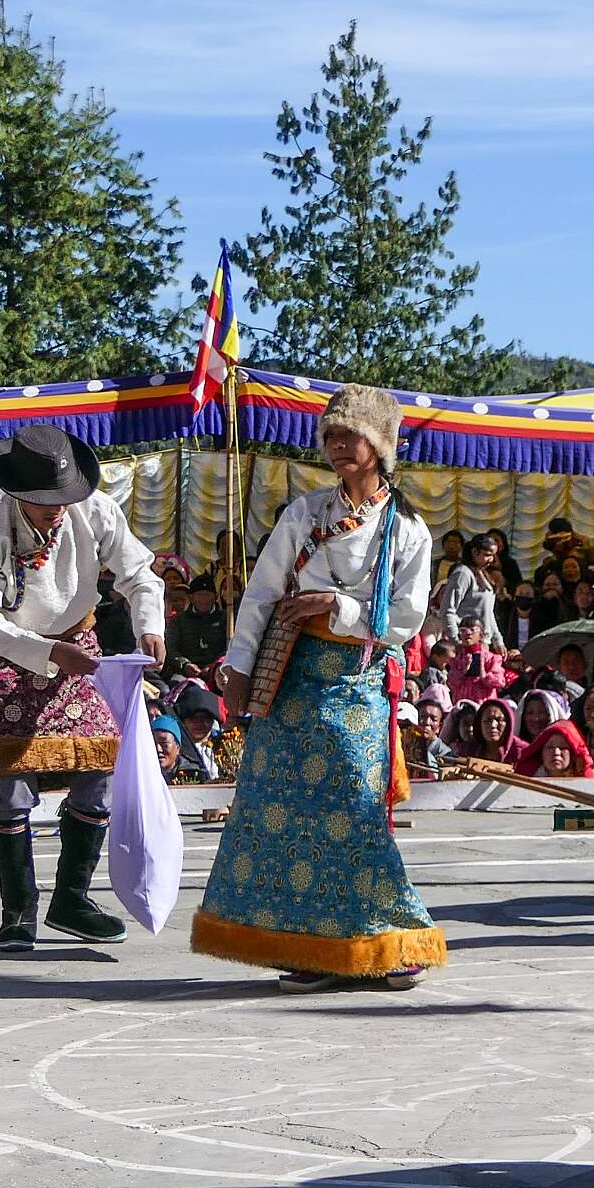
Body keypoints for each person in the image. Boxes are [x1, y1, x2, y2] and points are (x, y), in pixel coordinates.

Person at [198, 384, 443, 988]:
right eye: (330, 436)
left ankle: (390, 937)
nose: (336, 446)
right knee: (281, 815)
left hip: (357, 683)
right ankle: (307, 948)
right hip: (289, 678)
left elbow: (405, 619)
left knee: (355, 811)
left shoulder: (408, 530)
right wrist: (238, 666)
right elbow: (261, 595)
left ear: (380, 446)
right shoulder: (305, 513)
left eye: (349, 435)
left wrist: (335, 606)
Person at [0, 423, 166, 950]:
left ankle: (72, 898)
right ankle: (18, 911)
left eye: (64, 497)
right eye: (45, 501)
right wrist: (47, 653)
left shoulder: (95, 511)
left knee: (100, 767)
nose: (57, 509)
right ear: (16, 492)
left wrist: (150, 627)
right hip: (6, 652)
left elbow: (140, 574)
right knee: (9, 785)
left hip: (78, 646)